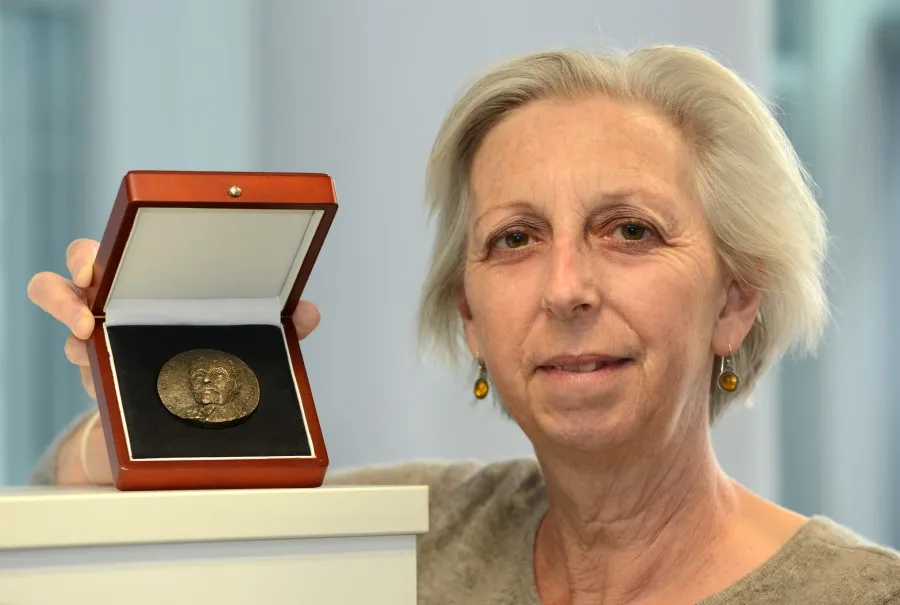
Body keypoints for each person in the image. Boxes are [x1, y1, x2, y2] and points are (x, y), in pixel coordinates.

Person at [25, 44, 900, 604]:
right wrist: (144, 375)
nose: (565, 289)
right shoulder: (416, 533)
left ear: (737, 299)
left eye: (629, 230)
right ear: (471, 316)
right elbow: (77, 505)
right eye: (515, 238)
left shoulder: (860, 592)